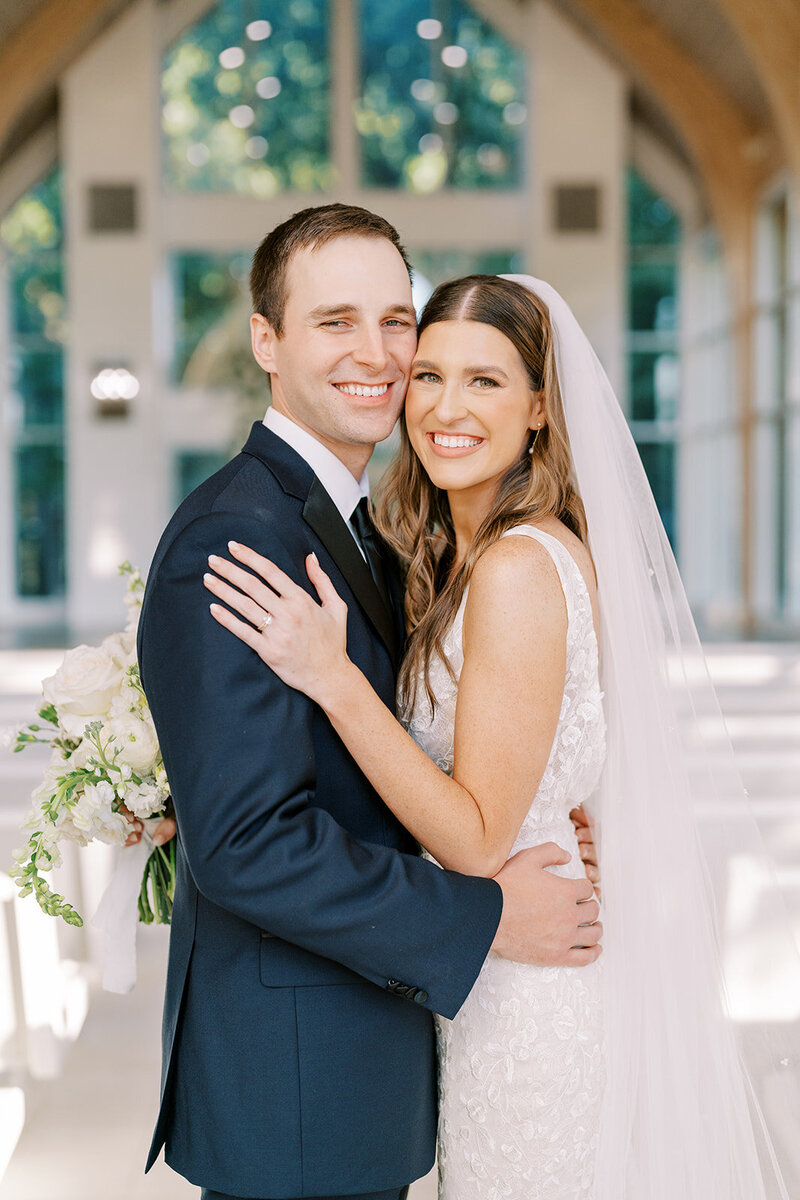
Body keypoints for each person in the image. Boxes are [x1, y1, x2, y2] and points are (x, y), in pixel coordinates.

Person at [205, 272, 794, 1198]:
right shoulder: (467, 555)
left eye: (485, 381)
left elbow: (478, 838)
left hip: (530, 1000)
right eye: (428, 376)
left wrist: (333, 677)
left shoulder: (520, 566)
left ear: (541, 409)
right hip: (491, 971)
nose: (444, 408)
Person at [135, 207, 602, 1200]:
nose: (380, 355)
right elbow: (250, 845)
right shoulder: (241, 536)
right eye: (334, 321)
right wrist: (483, 917)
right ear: (266, 339)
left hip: (365, 1058)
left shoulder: (371, 529)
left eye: (396, 321)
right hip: (300, 1081)